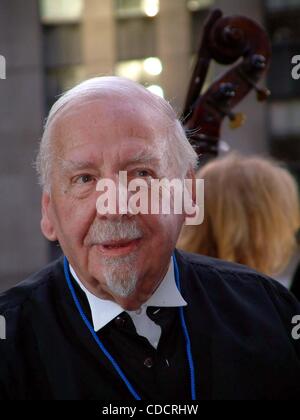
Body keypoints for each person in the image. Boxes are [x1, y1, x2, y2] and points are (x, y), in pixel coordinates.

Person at [0, 77, 299, 400]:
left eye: (141, 173)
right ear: (49, 213)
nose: (115, 207)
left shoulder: (268, 311)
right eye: (84, 179)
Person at [178, 153, 300, 300]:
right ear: (261, 228)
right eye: (284, 214)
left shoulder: (174, 287)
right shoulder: (260, 305)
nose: (294, 226)